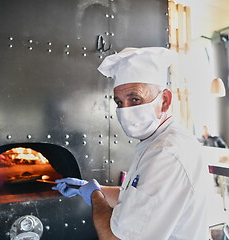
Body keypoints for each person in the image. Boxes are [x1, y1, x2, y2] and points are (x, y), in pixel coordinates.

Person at [52, 47, 209, 240]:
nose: (125, 110)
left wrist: (95, 196)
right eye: (119, 102)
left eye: (135, 99)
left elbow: (113, 238)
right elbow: (138, 200)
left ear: (165, 100)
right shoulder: (158, 139)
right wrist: (89, 187)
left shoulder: (166, 152)